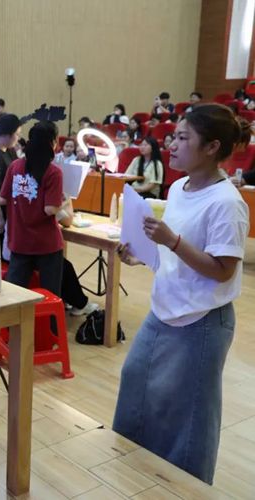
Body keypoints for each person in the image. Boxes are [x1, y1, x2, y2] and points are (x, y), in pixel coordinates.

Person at [114, 104, 250, 484]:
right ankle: (134, 472)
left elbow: (222, 269)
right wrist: (144, 255)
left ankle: (187, 489)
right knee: (136, 380)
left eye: (183, 138)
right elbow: (175, 256)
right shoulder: (178, 188)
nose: (171, 145)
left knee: (190, 417)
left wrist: (171, 241)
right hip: (166, 308)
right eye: (174, 136)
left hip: (202, 321)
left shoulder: (227, 203)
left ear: (212, 147)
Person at [0, 121, 73, 296]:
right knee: (50, 296)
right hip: (46, 244)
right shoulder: (53, 172)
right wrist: (65, 201)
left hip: (19, 240)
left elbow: (2, 199)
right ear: (53, 143)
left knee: (13, 296)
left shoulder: (15, 166)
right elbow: (50, 209)